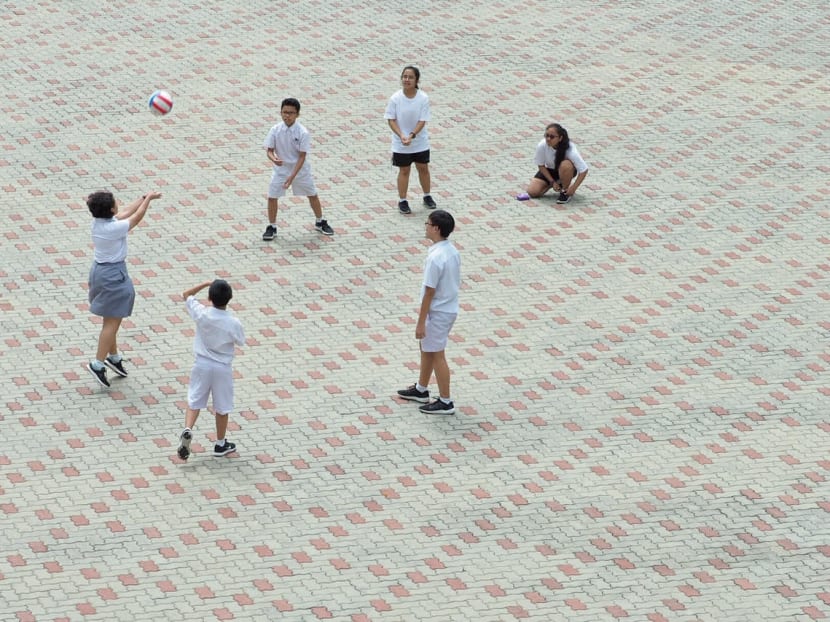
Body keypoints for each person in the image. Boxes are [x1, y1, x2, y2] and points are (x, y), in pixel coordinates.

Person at [86, 190, 162, 388]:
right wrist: (148, 203)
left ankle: (113, 356)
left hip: (100, 272)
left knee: (110, 318)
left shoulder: (101, 223)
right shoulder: (114, 228)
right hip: (113, 276)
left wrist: (143, 197)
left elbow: (126, 211)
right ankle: (97, 363)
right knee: (113, 321)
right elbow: (136, 217)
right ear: (111, 208)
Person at [397, 209, 461, 415]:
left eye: (427, 223)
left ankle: (446, 401)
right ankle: (421, 389)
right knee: (427, 348)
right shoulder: (451, 251)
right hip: (448, 307)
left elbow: (429, 291)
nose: (425, 226)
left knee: (437, 354)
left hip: (438, 312)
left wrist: (420, 322)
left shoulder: (436, 258)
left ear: (436, 228)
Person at [176, 279, 245, 461]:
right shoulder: (233, 322)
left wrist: (205, 283)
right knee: (222, 406)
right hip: (222, 368)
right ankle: (221, 443)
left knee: (195, 400)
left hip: (201, 364)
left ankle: (188, 429)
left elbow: (186, 295)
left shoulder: (202, 314)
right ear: (229, 298)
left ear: (209, 297)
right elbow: (240, 341)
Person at [261, 97, 333, 241]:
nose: (287, 116)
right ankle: (272, 226)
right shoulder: (275, 130)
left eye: (291, 113)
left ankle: (320, 221)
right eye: (284, 112)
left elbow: (302, 156)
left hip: (300, 170)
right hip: (280, 170)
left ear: (297, 114)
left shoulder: (302, 132)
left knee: (312, 194)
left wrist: (292, 177)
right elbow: (269, 150)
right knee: (272, 196)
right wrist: (273, 158)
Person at [384, 65, 437, 215]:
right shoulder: (395, 98)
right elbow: (391, 119)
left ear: (417, 80)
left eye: (410, 77)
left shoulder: (423, 98)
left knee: (423, 168)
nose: (407, 80)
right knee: (404, 170)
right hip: (401, 143)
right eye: (404, 77)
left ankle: (427, 196)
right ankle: (403, 200)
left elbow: (422, 120)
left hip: (419, 142)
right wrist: (401, 135)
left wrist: (412, 135)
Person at [516, 123, 588, 204]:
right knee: (533, 192)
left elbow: (583, 170)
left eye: (552, 137)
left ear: (560, 138)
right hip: (549, 170)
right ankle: (555, 183)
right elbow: (541, 165)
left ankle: (565, 191)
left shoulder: (570, 149)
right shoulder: (542, 145)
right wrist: (552, 182)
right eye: (547, 135)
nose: (548, 139)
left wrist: (573, 188)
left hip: (566, 170)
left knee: (566, 165)